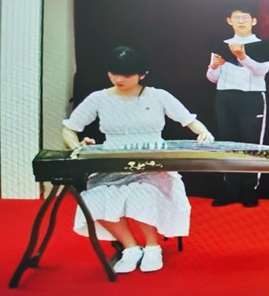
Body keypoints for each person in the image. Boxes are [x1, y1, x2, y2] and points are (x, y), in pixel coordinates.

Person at [62, 46, 215, 274]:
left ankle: (153, 247)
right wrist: (78, 148)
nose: (119, 79)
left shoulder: (158, 96)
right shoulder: (98, 98)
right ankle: (131, 248)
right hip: (112, 165)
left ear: (142, 74)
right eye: (114, 73)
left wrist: (203, 133)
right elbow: (69, 129)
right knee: (94, 197)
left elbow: (189, 120)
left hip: (152, 166)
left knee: (141, 192)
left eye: (126, 74)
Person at [206, 4, 269, 207]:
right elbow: (212, 78)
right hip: (225, 97)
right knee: (228, 143)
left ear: (254, 21)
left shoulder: (264, 45)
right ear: (229, 21)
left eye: (245, 17)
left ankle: (249, 189)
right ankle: (231, 188)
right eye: (237, 17)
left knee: (251, 144)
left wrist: (242, 57)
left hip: (251, 98)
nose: (241, 21)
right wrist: (214, 66)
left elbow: (261, 71)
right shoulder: (222, 45)